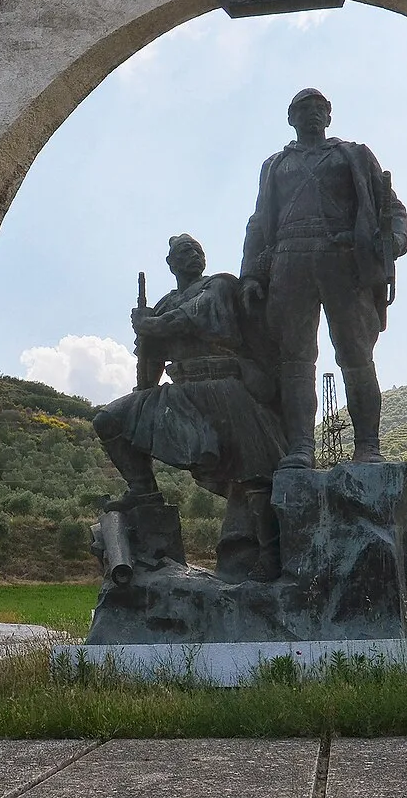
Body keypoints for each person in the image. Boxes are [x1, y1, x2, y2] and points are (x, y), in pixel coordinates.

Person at [94, 234, 286, 580]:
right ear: (171, 264)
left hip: (225, 389)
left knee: (255, 474)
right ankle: (143, 490)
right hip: (181, 391)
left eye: (197, 249)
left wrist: (150, 325)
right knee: (110, 420)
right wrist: (145, 345)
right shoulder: (166, 304)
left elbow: (193, 316)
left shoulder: (219, 285)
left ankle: (270, 555)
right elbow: (149, 366)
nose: (193, 255)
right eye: (184, 251)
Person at [240, 88, 407, 466]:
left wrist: (393, 240)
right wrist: (250, 273)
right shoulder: (274, 165)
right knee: (295, 360)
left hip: (344, 259)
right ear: (290, 118)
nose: (312, 114)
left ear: (330, 116)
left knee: (356, 355)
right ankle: (300, 447)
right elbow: (258, 223)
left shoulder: (353, 155)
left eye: (320, 108)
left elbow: (391, 206)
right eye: (304, 108)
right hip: (288, 261)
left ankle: (367, 446)